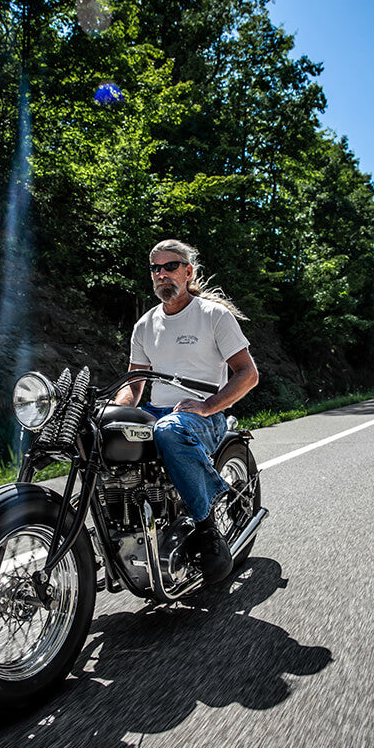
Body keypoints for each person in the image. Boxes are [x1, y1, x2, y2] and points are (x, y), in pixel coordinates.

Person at [115, 239, 258, 583]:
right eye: (155, 268)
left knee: (169, 430)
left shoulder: (213, 316)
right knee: (106, 432)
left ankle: (207, 528)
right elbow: (134, 385)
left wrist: (209, 405)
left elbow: (248, 374)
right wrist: (115, 411)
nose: (161, 274)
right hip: (156, 410)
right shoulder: (145, 325)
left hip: (203, 416)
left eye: (170, 266)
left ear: (188, 271)